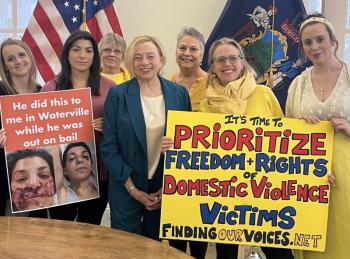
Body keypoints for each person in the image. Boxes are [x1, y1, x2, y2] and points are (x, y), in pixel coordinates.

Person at [162, 37, 292, 259]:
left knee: (280, 255)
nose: (227, 64)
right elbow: (198, 151)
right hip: (226, 197)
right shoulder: (205, 105)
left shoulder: (264, 94)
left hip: (265, 193)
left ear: (242, 61)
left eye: (233, 58)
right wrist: (176, 146)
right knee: (227, 255)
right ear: (212, 66)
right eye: (220, 60)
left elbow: (285, 140)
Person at [101, 35, 191, 241]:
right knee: (126, 249)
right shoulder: (118, 94)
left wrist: (169, 183)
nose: (144, 62)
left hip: (163, 187)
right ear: (131, 62)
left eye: (150, 56)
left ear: (161, 59)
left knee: (153, 249)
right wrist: (133, 190)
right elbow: (109, 147)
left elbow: (188, 142)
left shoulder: (179, 94)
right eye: (138, 57)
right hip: (126, 186)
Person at [286, 14, 346, 259]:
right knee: (313, 238)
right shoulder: (298, 84)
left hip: (347, 171)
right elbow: (287, 131)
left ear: (333, 41)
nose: (314, 47)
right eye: (308, 42)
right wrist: (302, 125)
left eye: (320, 39)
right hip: (309, 170)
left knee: (344, 232)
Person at [41, 30, 115, 225]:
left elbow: (123, 126)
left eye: (88, 50)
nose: (83, 55)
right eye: (76, 50)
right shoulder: (51, 88)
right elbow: (39, 131)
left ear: (95, 55)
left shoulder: (110, 87)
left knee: (90, 227)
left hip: (100, 171)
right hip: (61, 173)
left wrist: (110, 127)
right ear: (67, 54)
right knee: (61, 227)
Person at [0, 38, 45, 217]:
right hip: (6, 176)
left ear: (30, 58)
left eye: (21, 55)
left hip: (39, 176)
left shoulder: (43, 91)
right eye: (10, 59)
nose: (18, 61)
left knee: (36, 233)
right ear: (5, 67)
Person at [169, 27, 208, 111]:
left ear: (201, 55)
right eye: (182, 48)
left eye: (193, 49)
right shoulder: (166, 83)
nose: (187, 53)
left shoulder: (213, 84)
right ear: (176, 52)